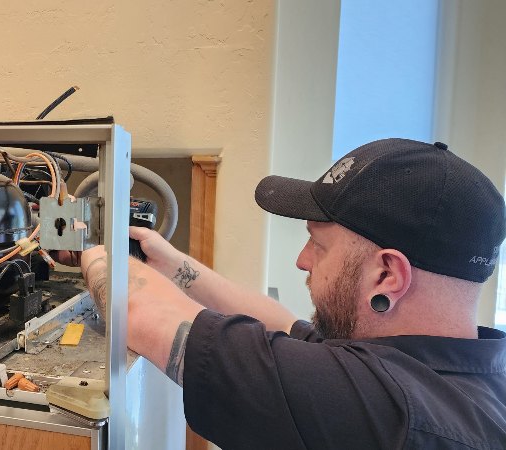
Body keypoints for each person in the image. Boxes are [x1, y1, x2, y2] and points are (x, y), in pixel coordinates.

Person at [72, 138, 506, 449]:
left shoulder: (382, 409)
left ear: (387, 275)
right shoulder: (456, 379)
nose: (302, 259)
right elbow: (284, 324)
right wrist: (173, 263)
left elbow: (141, 310)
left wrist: (89, 245)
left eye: (318, 244)